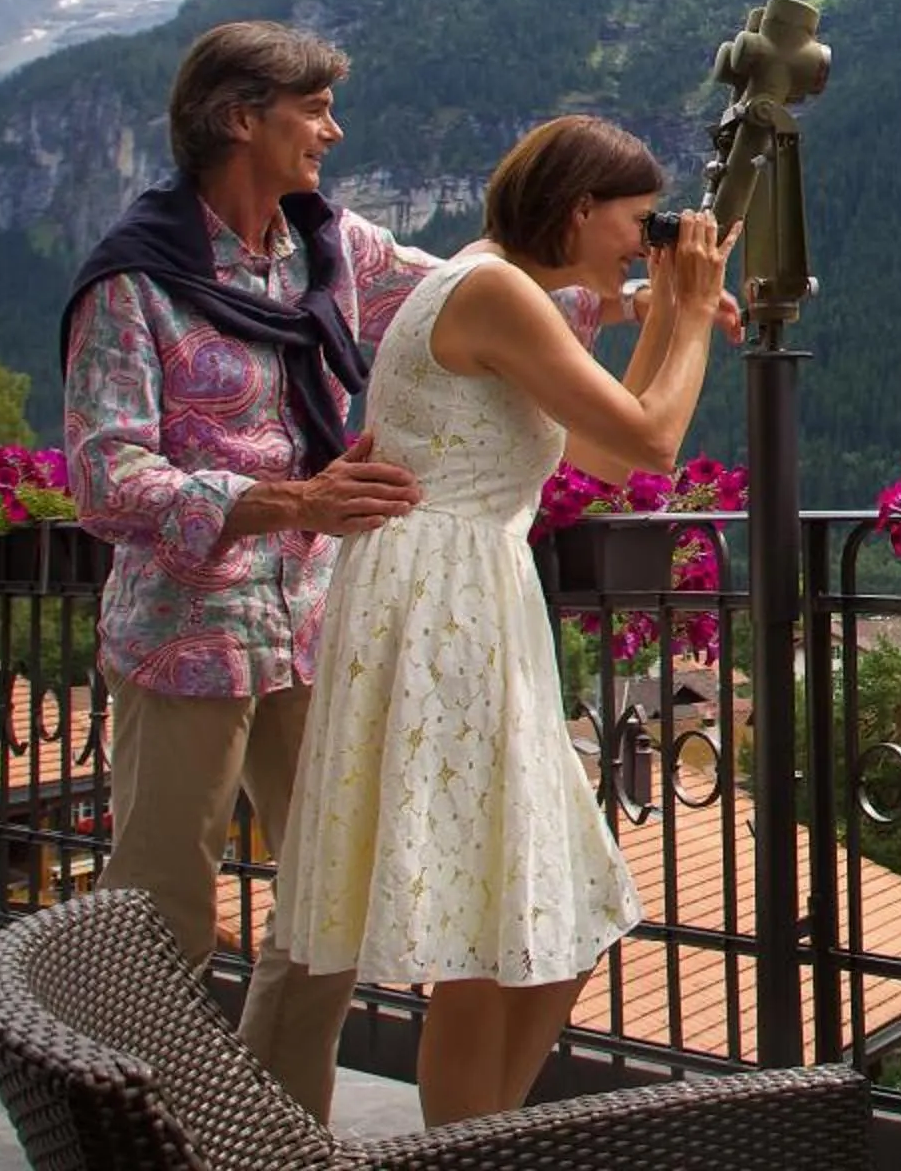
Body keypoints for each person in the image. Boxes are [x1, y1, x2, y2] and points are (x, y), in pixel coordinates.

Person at [60, 22, 684, 1120]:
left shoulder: (329, 245)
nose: (333, 131)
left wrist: (639, 296)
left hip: (318, 620)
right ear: (240, 118)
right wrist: (287, 500)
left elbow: (472, 296)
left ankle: (275, 1139)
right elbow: (107, 477)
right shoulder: (135, 281)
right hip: (187, 630)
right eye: (313, 109)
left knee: (323, 924)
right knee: (160, 916)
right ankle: (125, 1137)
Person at [274, 114, 735, 1127]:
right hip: (446, 605)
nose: (641, 243)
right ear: (577, 209)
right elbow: (652, 444)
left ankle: (485, 1137)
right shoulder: (490, 290)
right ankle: (469, 1145)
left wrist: (666, 307)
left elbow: (604, 449)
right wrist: (695, 312)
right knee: (488, 930)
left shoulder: (492, 284)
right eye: (635, 222)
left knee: (552, 918)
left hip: (460, 594)